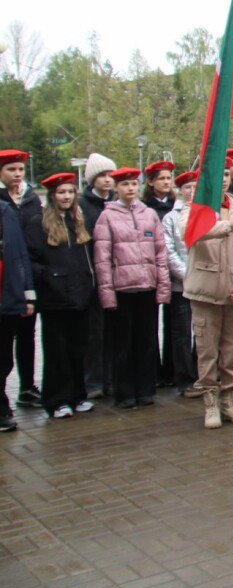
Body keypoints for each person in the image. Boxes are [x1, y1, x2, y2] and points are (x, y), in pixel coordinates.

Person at [181, 170, 233, 429]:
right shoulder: (195, 209)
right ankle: (210, 401)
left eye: (227, 174)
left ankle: (230, 399)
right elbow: (189, 233)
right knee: (208, 352)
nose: (223, 178)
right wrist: (226, 226)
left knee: (231, 351)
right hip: (206, 292)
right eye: (218, 173)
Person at [93, 167, 170, 408]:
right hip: (122, 289)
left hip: (146, 286)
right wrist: (107, 294)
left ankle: (146, 390)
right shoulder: (107, 216)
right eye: (125, 184)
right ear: (117, 188)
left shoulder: (149, 214)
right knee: (122, 344)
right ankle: (124, 393)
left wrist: (162, 287)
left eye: (133, 184)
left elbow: (160, 253)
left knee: (146, 341)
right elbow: (102, 258)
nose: (130, 189)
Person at [24, 173, 97, 420]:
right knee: (57, 352)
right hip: (55, 299)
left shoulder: (79, 221)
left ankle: (78, 395)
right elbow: (31, 259)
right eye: (61, 193)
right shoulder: (38, 223)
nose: (66, 197)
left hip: (80, 296)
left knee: (79, 349)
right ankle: (57, 399)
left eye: (69, 192)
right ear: (53, 196)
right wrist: (50, 277)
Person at [0, 149, 42, 409]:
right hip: (6, 278)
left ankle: (27, 386)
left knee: (28, 335)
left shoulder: (31, 198)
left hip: (29, 274)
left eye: (20, 169)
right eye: (10, 170)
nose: (17, 174)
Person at [79, 152, 117, 399]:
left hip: (119, 275)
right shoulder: (82, 206)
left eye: (110, 175)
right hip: (93, 276)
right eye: (101, 176)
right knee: (95, 332)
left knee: (114, 331)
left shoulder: (116, 202)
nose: (107, 180)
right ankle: (93, 381)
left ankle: (113, 378)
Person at [162, 170, 199, 396]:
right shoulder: (171, 218)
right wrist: (186, 276)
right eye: (187, 187)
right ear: (180, 191)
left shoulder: (207, 213)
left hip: (205, 285)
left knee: (203, 333)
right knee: (182, 334)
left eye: (195, 187)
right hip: (181, 285)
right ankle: (184, 380)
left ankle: (201, 374)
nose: (191, 191)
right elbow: (169, 251)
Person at [142, 160, 177, 387]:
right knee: (150, 326)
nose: (166, 182)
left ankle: (173, 371)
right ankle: (153, 372)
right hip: (153, 272)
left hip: (176, 275)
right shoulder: (145, 208)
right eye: (161, 178)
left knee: (176, 326)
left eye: (168, 178)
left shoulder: (176, 206)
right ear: (151, 182)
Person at [0, 200, 34, 432]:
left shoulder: (5, 211)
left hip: (6, 297)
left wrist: (27, 294)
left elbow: (20, 255)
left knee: (4, 358)